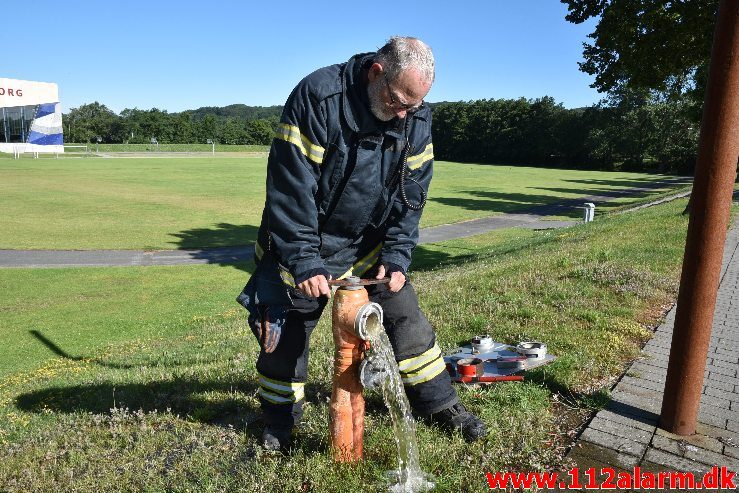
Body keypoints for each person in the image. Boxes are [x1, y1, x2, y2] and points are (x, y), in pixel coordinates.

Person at [237, 36, 486, 451]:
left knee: (408, 320)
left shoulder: (415, 117)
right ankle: (279, 422)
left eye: (414, 105)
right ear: (376, 72)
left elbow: (413, 197)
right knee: (285, 339)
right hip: (303, 243)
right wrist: (304, 260)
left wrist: (397, 256)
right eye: (398, 101)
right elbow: (290, 188)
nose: (404, 113)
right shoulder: (318, 97)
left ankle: (440, 404)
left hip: (368, 247)